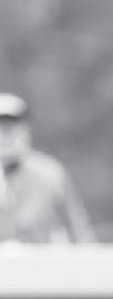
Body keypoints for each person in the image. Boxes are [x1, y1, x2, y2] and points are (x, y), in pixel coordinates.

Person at [0, 93, 95, 244]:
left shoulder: (50, 173)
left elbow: (79, 231)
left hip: (41, 257)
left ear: (26, 130)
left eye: (11, 129)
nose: (6, 136)